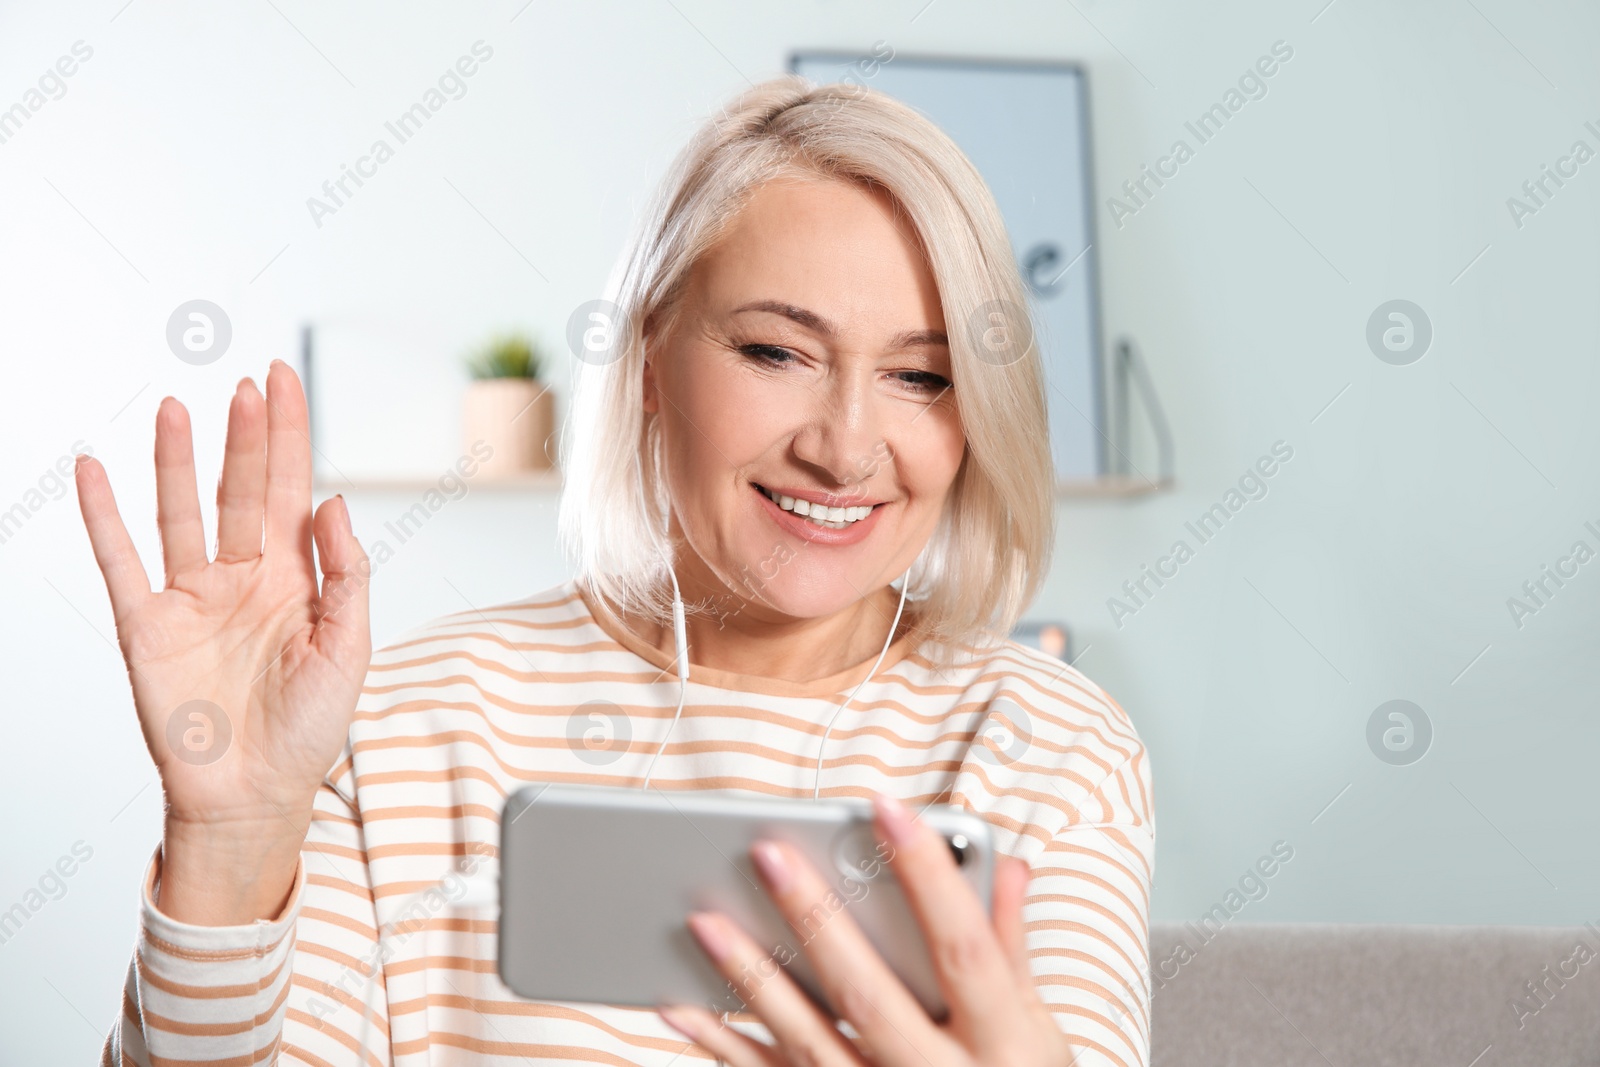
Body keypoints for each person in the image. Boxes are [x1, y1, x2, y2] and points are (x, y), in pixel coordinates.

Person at [80, 73, 1153, 1067]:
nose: (845, 445)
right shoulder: (395, 723)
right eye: (776, 351)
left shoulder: (1051, 749)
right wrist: (229, 843)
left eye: (921, 375)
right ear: (649, 360)